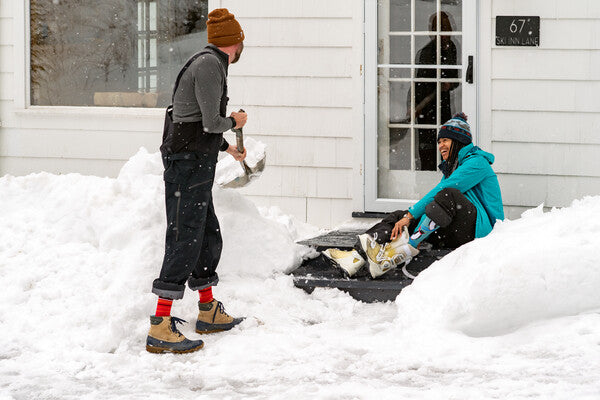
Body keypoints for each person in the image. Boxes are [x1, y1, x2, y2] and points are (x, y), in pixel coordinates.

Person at [146, 8, 247, 354]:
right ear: (235, 42)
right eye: (241, 40)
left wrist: (227, 148)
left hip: (195, 162)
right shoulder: (208, 65)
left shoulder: (213, 63)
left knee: (206, 235)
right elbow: (209, 121)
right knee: (184, 236)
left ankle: (207, 311)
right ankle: (160, 325)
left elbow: (194, 120)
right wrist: (234, 121)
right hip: (186, 165)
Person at [324, 113, 504, 279]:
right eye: (439, 141)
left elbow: (443, 191)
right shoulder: (455, 166)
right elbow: (436, 203)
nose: (440, 145)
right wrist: (407, 218)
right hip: (455, 230)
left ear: (459, 141)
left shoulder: (477, 163)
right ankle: (355, 258)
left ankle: (402, 250)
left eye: (445, 140)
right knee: (399, 216)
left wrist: (411, 216)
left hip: (480, 234)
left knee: (446, 195)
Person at [414, 12, 459, 170]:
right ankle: (426, 181)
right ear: (433, 32)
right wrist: (416, 107)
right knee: (428, 148)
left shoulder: (452, 48)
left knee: (445, 148)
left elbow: (456, 78)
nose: (446, 33)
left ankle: (444, 180)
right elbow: (420, 85)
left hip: (443, 106)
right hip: (427, 108)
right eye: (442, 29)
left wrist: (449, 84)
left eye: (447, 29)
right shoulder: (427, 53)